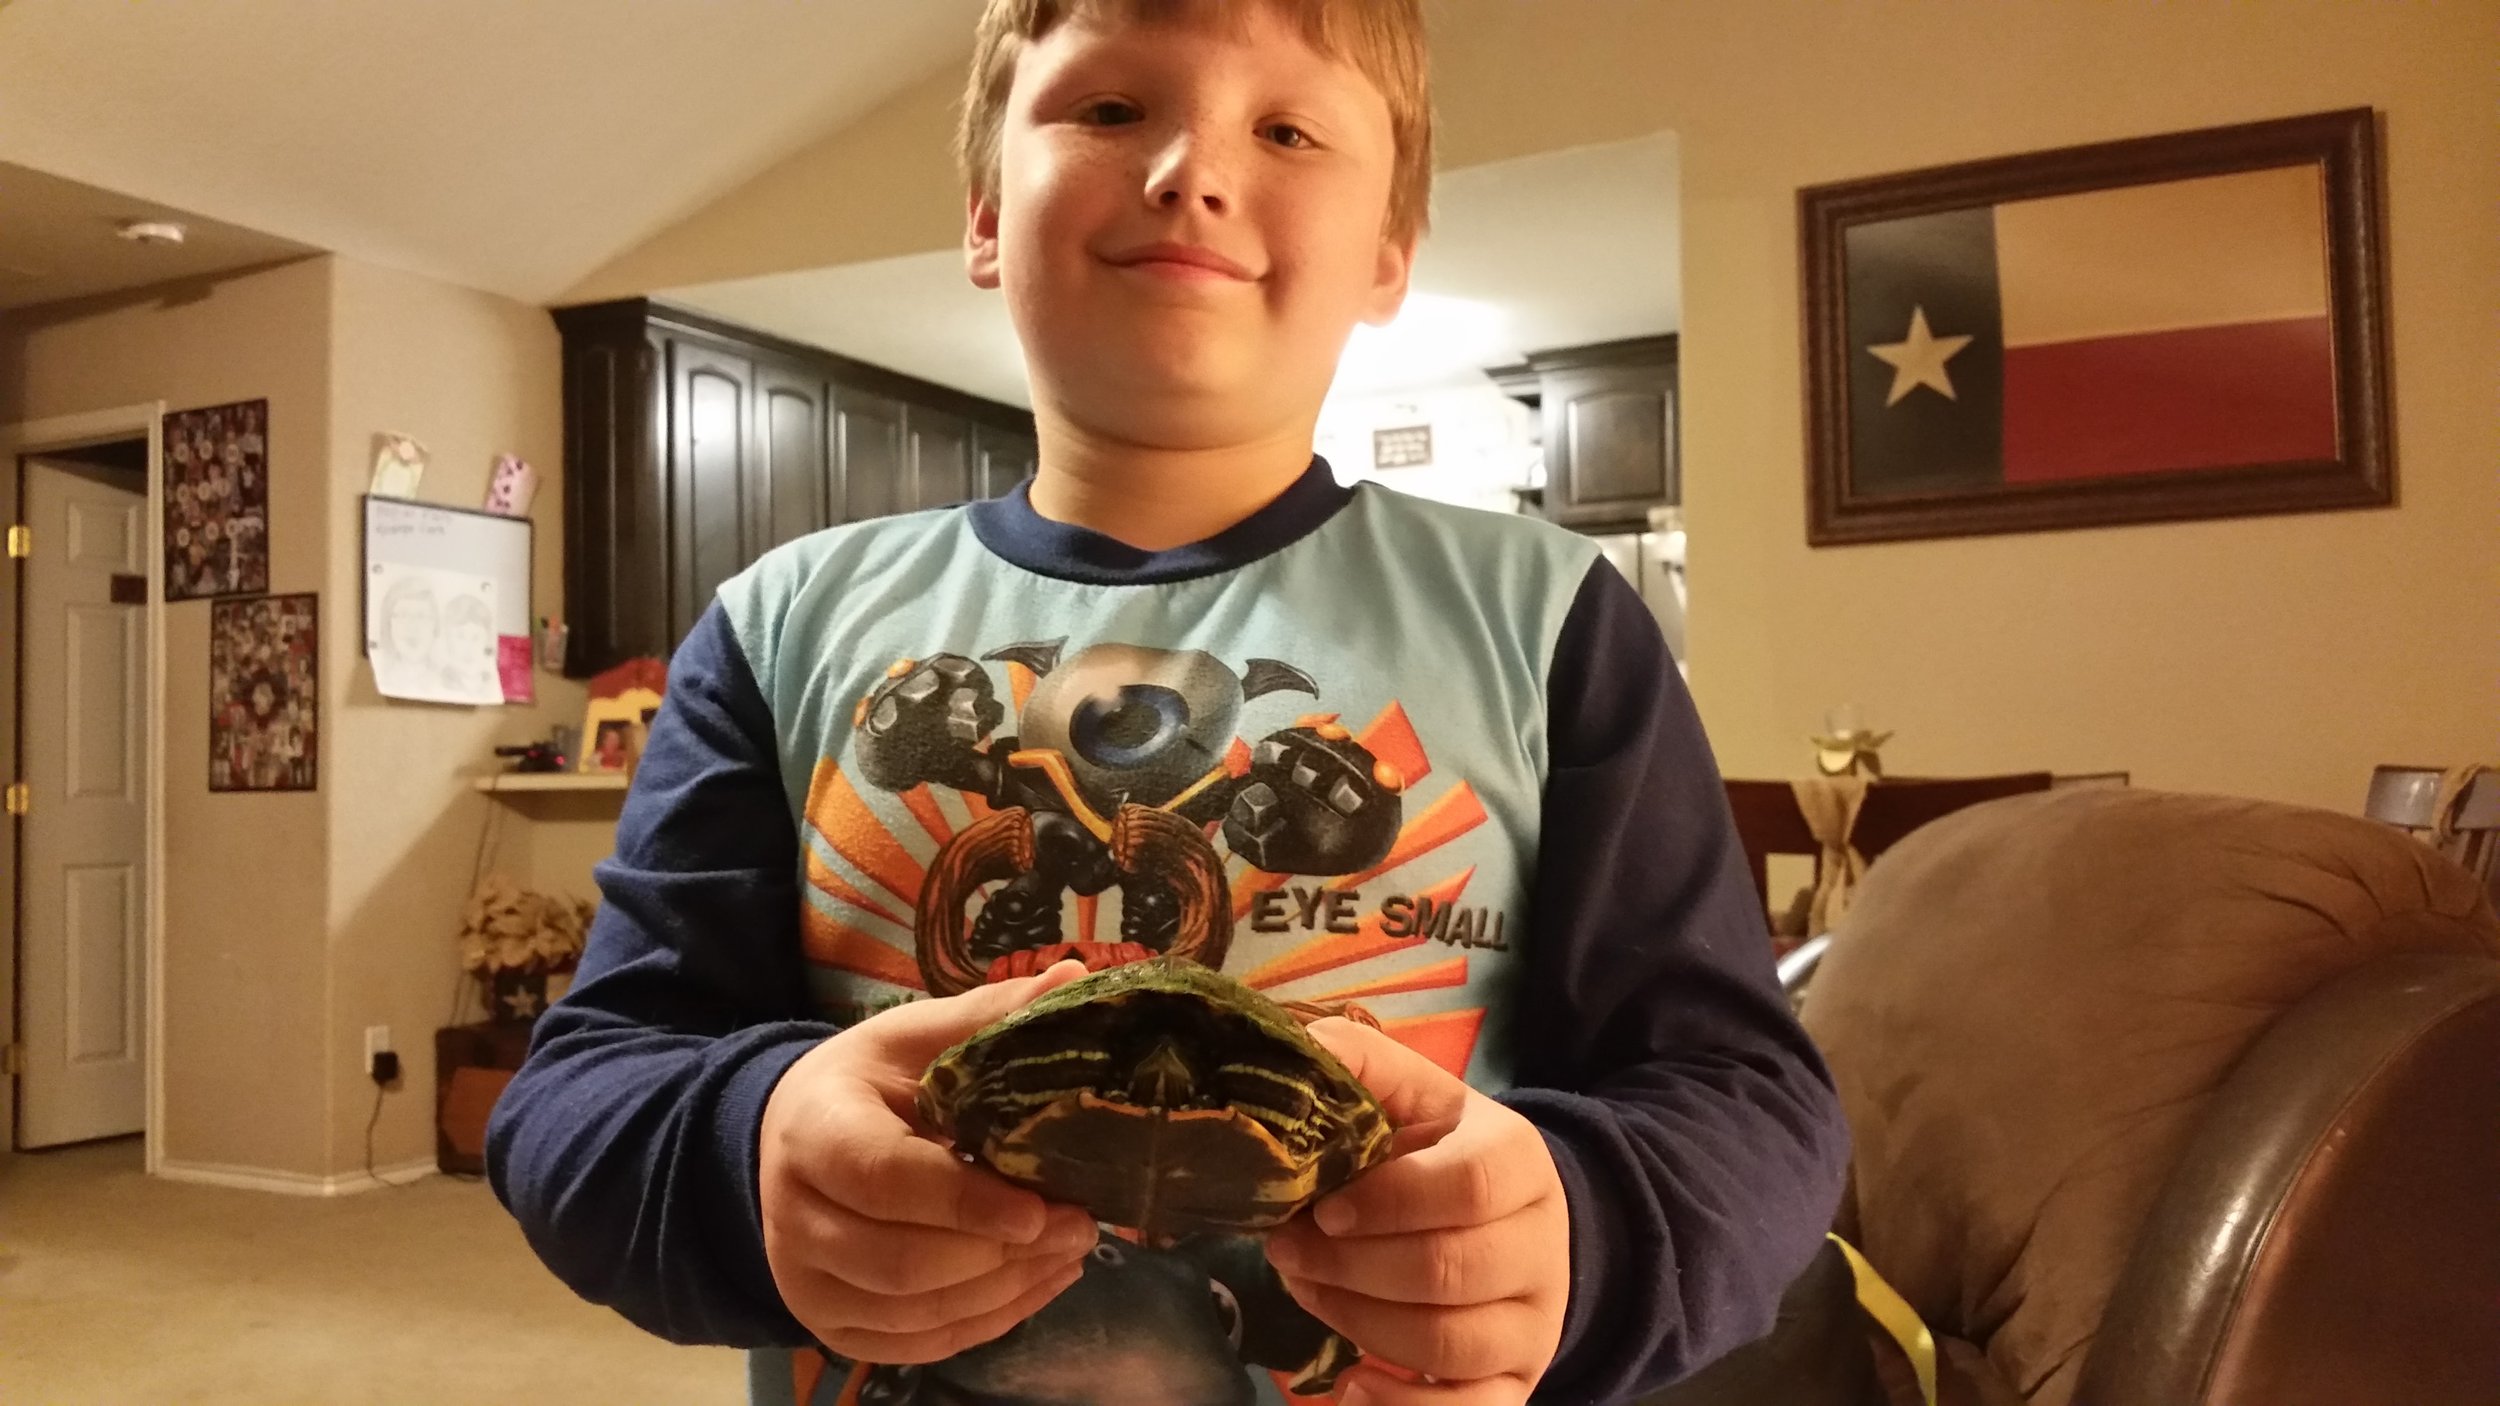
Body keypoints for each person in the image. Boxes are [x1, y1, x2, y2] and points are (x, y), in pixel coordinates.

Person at [488, 3, 1848, 1403]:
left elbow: (1748, 1105)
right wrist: (745, 1146)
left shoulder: (1553, 624)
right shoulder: (782, 626)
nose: (1190, 171)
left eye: (1287, 128)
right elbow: (583, 1091)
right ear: (981, 211)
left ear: (1389, 249)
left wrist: (1586, 1225)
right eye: (1110, 110)